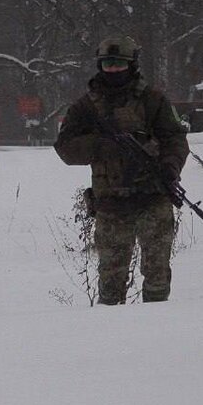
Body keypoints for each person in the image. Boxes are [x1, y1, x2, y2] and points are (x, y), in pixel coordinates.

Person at [54, 34, 189, 304]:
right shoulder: (86, 106)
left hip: (153, 199)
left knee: (157, 275)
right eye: (107, 64)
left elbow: (175, 139)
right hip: (111, 204)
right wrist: (103, 146)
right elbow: (65, 147)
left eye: (119, 64)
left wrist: (170, 167)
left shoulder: (153, 100)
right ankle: (112, 336)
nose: (113, 69)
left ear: (132, 64)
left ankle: (158, 329)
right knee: (111, 282)